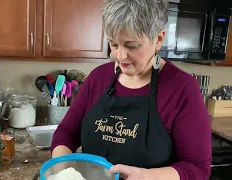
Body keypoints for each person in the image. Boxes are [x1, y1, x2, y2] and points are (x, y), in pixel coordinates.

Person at [50, 0, 212, 179]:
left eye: (131, 46)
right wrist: (62, 172)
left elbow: (197, 168)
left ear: (158, 39)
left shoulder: (182, 88)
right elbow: (66, 133)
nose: (119, 56)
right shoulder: (98, 78)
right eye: (113, 44)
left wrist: (148, 176)